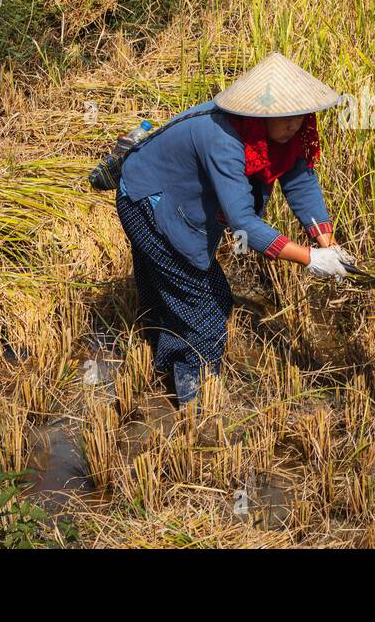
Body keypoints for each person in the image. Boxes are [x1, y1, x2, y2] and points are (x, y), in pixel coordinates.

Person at [114, 52, 355, 405]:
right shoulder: (223, 139)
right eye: (286, 117)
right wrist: (310, 259)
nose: (295, 124)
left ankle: (157, 345)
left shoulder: (279, 138)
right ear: (261, 113)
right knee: (205, 309)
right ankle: (194, 400)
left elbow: (301, 183)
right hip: (147, 203)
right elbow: (244, 224)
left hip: (167, 197)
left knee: (179, 290)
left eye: (301, 115)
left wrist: (327, 244)